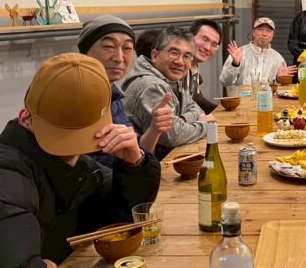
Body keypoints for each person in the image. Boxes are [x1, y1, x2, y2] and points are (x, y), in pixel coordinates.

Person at [0, 54, 161, 268]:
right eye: (63, 138)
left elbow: (114, 215)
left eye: (82, 138)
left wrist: (134, 164)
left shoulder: (63, 162)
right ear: (25, 118)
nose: (73, 150)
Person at [77, 15, 173, 165]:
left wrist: (155, 128)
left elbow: (135, 152)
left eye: (127, 48)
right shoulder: (75, 99)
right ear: (85, 53)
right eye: (108, 47)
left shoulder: (114, 96)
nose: (119, 58)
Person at [122, 26, 215, 159]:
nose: (180, 62)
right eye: (173, 53)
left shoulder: (172, 78)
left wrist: (182, 120)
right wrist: (207, 125)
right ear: (155, 55)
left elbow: (194, 107)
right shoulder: (151, 86)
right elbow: (173, 136)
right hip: (151, 165)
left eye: (187, 56)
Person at [219, 17, 297, 86]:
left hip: (268, 98)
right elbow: (225, 82)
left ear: (273, 35)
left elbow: (282, 90)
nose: (264, 34)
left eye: (268, 30)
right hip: (243, 97)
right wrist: (235, 65)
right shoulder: (239, 53)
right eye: (261, 29)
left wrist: (280, 79)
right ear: (253, 32)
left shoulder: (278, 59)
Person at [185, 19, 222, 114]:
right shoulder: (177, 68)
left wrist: (219, 111)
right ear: (189, 37)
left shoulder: (194, 66)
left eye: (214, 44)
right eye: (205, 39)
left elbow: (196, 98)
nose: (207, 48)